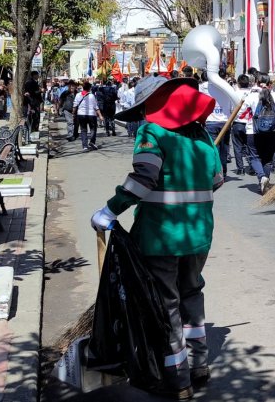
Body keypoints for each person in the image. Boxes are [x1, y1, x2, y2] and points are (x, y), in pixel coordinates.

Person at [91, 75, 223, 399]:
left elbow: (144, 177)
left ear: (152, 104)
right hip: (199, 233)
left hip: (161, 236)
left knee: (167, 306)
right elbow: (218, 179)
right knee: (192, 294)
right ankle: (200, 365)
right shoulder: (202, 133)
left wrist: (110, 210)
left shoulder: (152, 131)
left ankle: (178, 381)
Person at [238, 74, 275, 193]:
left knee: (254, 156)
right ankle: (266, 181)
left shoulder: (251, 96)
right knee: (268, 158)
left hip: (253, 131)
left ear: (256, 82)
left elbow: (241, 113)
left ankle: (262, 177)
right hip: (272, 130)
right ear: (270, 83)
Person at [199, 74, 231, 180]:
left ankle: (217, 171)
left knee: (214, 148)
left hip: (212, 122)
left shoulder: (204, 87)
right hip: (225, 121)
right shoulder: (227, 86)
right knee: (224, 148)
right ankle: (223, 171)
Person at [230, 74, 252, 175]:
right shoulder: (252, 93)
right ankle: (252, 167)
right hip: (250, 123)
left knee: (237, 146)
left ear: (238, 83)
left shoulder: (234, 93)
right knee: (250, 146)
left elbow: (231, 108)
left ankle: (240, 168)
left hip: (238, 122)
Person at [74, 81, 103, 151]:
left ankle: (85, 146)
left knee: (83, 130)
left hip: (81, 114)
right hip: (91, 115)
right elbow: (96, 107)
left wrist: (73, 114)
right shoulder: (92, 96)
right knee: (93, 129)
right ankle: (92, 142)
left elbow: (74, 105)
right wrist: (100, 115)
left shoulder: (78, 95)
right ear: (89, 88)